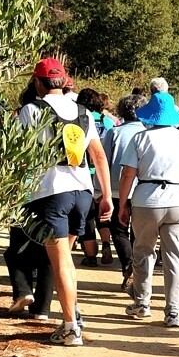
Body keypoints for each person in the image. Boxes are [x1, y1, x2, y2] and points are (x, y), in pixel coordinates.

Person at [17, 58, 113, 346]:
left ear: (38, 82)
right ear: (64, 80)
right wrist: (105, 195)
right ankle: (72, 316)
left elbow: (21, 155)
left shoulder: (31, 111)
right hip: (82, 193)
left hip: (51, 192)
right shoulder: (83, 111)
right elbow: (98, 155)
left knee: (59, 262)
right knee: (65, 260)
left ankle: (71, 327)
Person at [119, 91, 179, 328]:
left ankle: (142, 303)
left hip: (146, 200)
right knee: (176, 256)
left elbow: (128, 174)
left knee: (143, 252)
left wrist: (122, 203)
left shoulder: (140, 138)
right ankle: (173, 310)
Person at [101, 94, 147, 290]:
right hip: (142, 189)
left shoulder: (114, 132)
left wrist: (100, 192)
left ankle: (128, 265)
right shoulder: (148, 132)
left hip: (116, 189)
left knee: (118, 230)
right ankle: (137, 271)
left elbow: (104, 160)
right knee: (138, 232)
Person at [75, 88, 115, 266]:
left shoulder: (78, 119)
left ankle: (91, 256)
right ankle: (106, 243)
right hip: (101, 174)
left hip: (84, 173)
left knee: (88, 216)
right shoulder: (107, 122)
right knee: (103, 215)